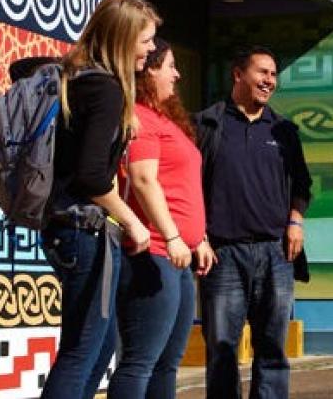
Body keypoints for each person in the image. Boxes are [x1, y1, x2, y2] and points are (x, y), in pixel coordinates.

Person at [39, 0, 160, 399]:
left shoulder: (78, 78)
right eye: (145, 40)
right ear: (123, 38)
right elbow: (91, 177)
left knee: (101, 343)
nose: (151, 49)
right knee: (82, 350)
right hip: (82, 228)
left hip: (66, 227)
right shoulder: (106, 88)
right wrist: (133, 221)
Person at [193, 46, 314, 399]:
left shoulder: (284, 130)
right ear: (238, 74)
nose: (270, 81)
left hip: (275, 254)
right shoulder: (207, 125)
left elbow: (303, 185)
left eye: (274, 74)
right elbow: (188, 186)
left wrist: (295, 222)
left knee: (273, 348)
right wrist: (197, 236)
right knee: (222, 349)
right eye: (262, 72)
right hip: (222, 255)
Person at [113, 38, 213, 399]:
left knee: (168, 363)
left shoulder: (166, 120)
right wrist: (172, 237)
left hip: (179, 255)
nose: (178, 73)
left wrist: (197, 237)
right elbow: (142, 179)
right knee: (141, 361)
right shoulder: (138, 116)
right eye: (170, 65)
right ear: (150, 68)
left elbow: (180, 188)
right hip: (154, 252)